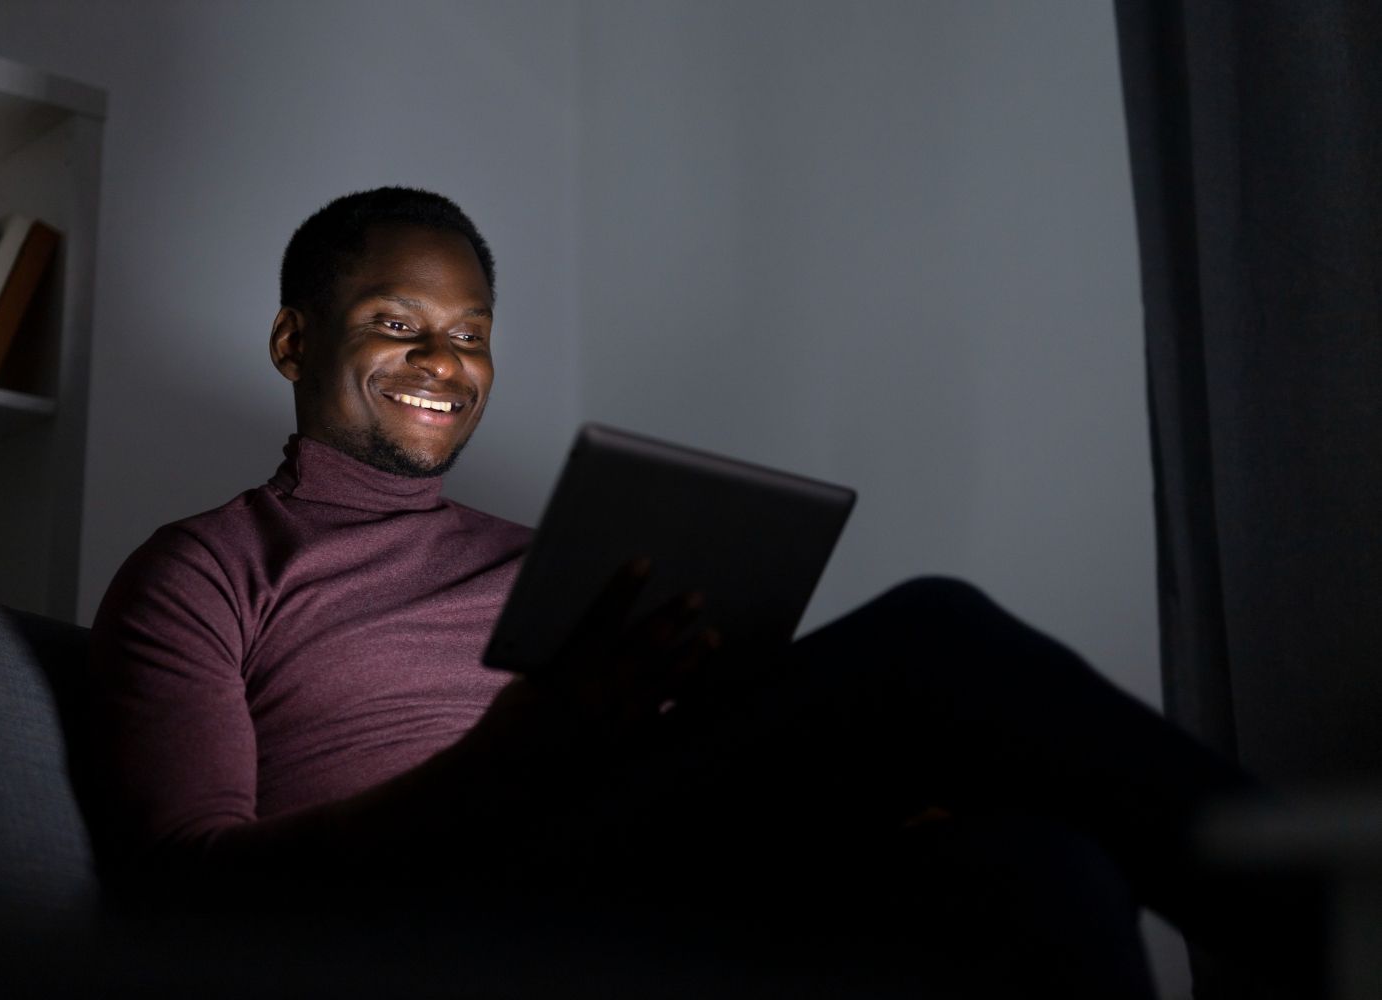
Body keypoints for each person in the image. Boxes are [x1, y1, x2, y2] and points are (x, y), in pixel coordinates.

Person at [89, 186, 1312, 998]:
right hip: (446, 907)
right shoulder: (206, 570)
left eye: (471, 330)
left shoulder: (563, 561)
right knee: (932, 631)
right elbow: (186, 890)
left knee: (1038, 862)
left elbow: (684, 773)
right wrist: (499, 764)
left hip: (658, 868)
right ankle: (1331, 912)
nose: (446, 362)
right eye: (395, 322)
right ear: (294, 341)